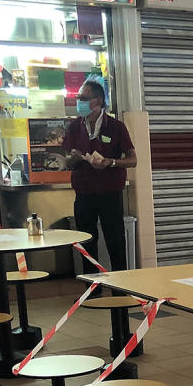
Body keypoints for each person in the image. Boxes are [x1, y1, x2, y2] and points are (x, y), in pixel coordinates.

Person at [62, 81, 136, 275]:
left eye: (84, 99)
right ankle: (92, 288)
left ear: (99, 101)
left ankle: (121, 287)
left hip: (110, 193)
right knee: (86, 241)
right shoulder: (74, 127)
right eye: (78, 98)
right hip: (84, 193)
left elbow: (133, 159)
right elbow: (66, 161)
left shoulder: (116, 127)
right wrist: (74, 157)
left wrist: (110, 162)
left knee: (115, 240)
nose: (79, 103)